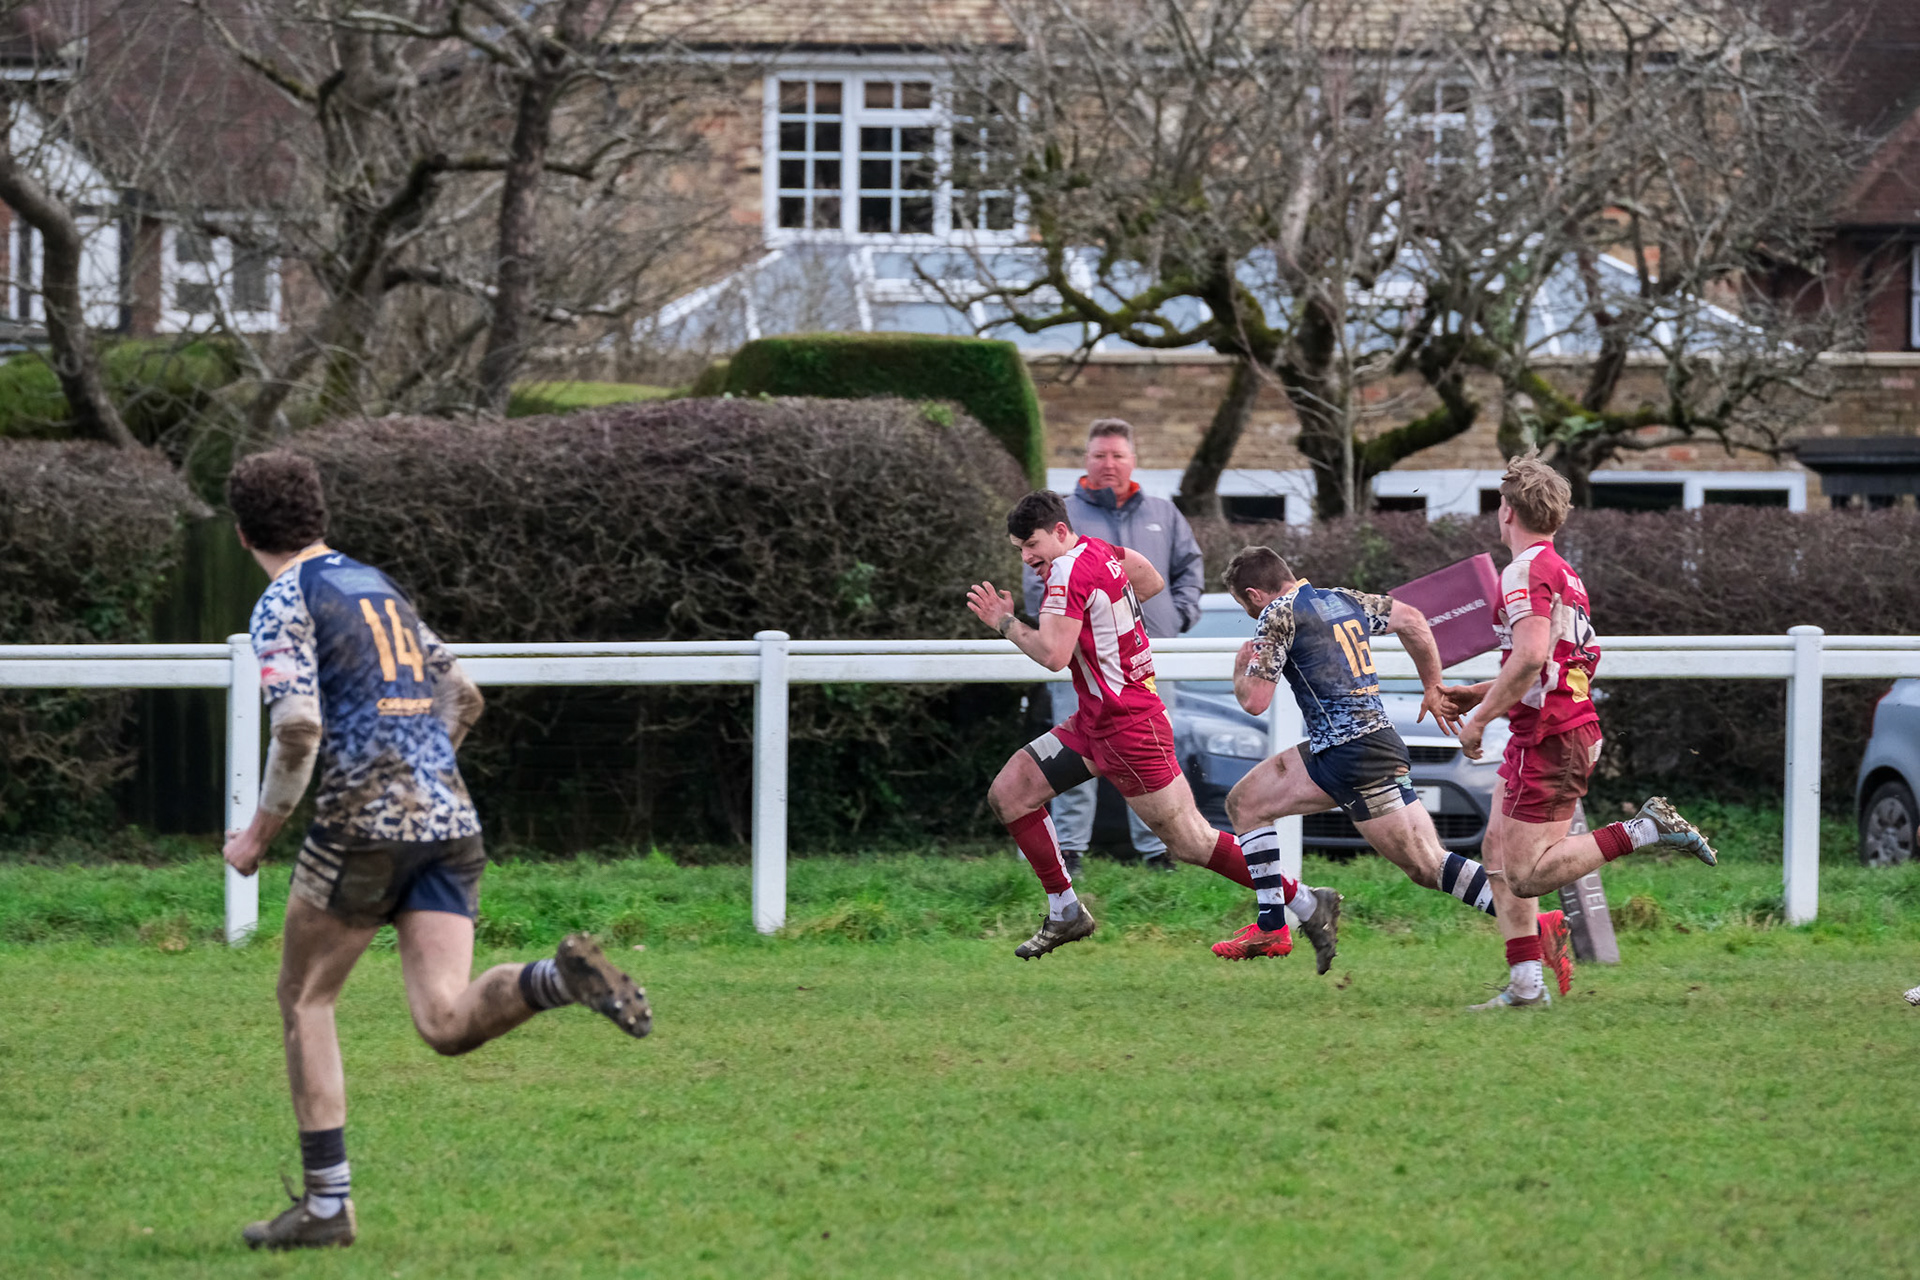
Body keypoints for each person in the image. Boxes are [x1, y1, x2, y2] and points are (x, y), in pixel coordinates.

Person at [220, 452, 650, 1250]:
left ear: (242, 532)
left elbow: (299, 728)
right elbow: (466, 696)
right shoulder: (376, 585)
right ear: (320, 517)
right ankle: (559, 979)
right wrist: (419, 773)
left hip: (361, 825)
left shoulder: (283, 599)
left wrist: (255, 836)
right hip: (450, 819)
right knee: (445, 1020)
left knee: (306, 1000)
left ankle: (327, 1208)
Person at [1440, 455, 1717, 1010]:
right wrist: (1483, 693)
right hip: (1552, 728)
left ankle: (1645, 829)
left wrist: (1480, 718)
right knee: (1496, 849)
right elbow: (1551, 664)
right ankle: (1526, 985)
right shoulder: (1561, 571)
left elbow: (1530, 657)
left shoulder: (1522, 572)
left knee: (1524, 875)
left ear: (1507, 511)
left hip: (1552, 736)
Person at [1207, 545, 1545, 976]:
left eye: (1245, 606)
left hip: (1358, 758)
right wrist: (1432, 685)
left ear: (1255, 594)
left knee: (1427, 865)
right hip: (1337, 750)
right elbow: (1413, 620)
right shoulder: (1344, 599)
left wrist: (1241, 670)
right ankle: (1273, 925)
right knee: (1246, 803)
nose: (1251, 614)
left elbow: (1255, 701)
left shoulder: (1277, 613)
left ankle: (1537, 928)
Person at [967, 490, 1264, 959]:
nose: (1026, 557)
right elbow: (1150, 579)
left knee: (1191, 842)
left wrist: (1004, 621)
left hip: (1128, 726)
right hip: (1093, 722)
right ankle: (1065, 910)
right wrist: (1104, 617)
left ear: (1060, 531)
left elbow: (1052, 655)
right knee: (1011, 792)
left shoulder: (1064, 572)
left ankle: (1303, 898)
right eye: (1019, 548)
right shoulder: (1099, 550)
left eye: (1032, 544)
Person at [1022, 419, 1203, 872]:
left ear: (1132, 460)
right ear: (1086, 459)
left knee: (1153, 755)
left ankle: (1158, 851)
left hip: (1149, 659)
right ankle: (1070, 850)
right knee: (1073, 753)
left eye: (1118, 455)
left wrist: (1178, 615)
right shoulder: (1062, 518)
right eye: (1100, 455)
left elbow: (1189, 568)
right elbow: (1035, 578)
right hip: (1082, 662)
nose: (1109, 464)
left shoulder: (1163, 513)